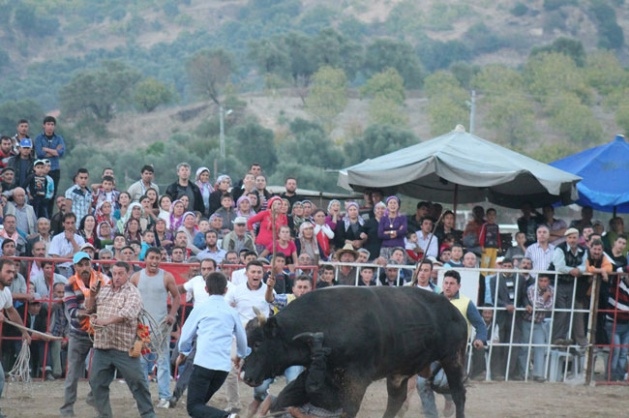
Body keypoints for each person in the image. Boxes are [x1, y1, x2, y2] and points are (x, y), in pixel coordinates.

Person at [86, 261, 156, 418]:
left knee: (138, 383)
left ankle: (148, 414)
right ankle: (104, 415)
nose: (116, 277)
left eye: (120, 274)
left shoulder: (133, 293)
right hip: (102, 346)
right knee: (97, 383)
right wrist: (91, 295)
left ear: (128, 273)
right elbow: (89, 309)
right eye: (114, 273)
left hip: (124, 348)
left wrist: (106, 321)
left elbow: (127, 313)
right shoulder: (102, 290)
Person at [416, 270, 486, 418]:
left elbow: (480, 324)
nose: (448, 287)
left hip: (454, 354)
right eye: (446, 283)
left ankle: (451, 399)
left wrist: (480, 338)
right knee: (422, 383)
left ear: (458, 286)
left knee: (444, 383)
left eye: (452, 284)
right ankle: (431, 415)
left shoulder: (466, 303)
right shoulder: (433, 301)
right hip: (432, 352)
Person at [178, 272, 246, 418]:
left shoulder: (200, 309)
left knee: (194, 408)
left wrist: (183, 352)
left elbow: (185, 337)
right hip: (222, 368)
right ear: (226, 290)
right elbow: (242, 340)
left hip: (203, 364)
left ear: (206, 289)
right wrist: (240, 355)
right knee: (201, 408)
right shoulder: (232, 312)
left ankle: (228, 417)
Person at [59, 251, 109, 417]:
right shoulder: (70, 284)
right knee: (73, 372)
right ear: (75, 267)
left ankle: (93, 397)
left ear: (91, 264)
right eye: (80, 265)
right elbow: (72, 312)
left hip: (99, 332)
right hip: (79, 332)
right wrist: (91, 311)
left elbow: (110, 303)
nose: (84, 267)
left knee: (103, 369)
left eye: (87, 264)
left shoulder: (103, 280)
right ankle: (66, 409)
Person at [130, 247, 181, 408]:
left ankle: (164, 396)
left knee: (163, 361)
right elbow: (129, 298)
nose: (154, 261)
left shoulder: (166, 277)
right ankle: (142, 397)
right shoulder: (136, 277)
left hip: (161, 327)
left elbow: (177, 297)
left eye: (157, 258)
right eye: (152, 257)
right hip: (141, 328)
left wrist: (172, 315)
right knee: (141, 363)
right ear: (145, 259)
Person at [225, 260, 274, 416]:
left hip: (261, 337)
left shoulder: (269, 290)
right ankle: (233, 403)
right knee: (231, 369)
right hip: (241, 333)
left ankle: (262, 397)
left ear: (263, 273)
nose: (256, 275)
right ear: (246, 273)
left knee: (262, 370)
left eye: (259, 272)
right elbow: (227, 307)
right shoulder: (236, 290)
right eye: (253, 272)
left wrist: (271, 287)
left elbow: (271, 302)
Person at [0, 259, 33, 417]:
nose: (11, 275)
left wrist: (23, 331)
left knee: (0, 378)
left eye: (13, 272)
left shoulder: (5, 293)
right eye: (8, 272)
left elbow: (11, 312)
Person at [550, 227, 588, 346]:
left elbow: (585, 265)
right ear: (566, 238)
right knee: (562, 311)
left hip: (572, 283)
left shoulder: (583, 250)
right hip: (559, 283)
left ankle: (565, 337)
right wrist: (574, 270)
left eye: (574, 237)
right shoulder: (559, 249)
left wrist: (579, 270)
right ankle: (557, 337)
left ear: (578, 238)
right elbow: (559, 267)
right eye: (570, 237)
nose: (572, 240)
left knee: (569, 310)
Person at [518, 272, 554, 382]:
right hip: (526, 321)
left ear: (549, 282)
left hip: (538, 322)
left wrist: (541, 301)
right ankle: (524, 373)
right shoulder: (531, 289)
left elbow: (549, 307)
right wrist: (544, 297)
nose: (543, 283)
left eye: (545, 281)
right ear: (537, 281)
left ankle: (538, 374)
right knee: (524, 348)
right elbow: (535, 304)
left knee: (540, 347)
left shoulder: (551, 290)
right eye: (541, 281)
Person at [34, 116, 65, 210]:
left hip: (54, 169)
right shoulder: (39, 138)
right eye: (48, 124)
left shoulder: (59, 138)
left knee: (52, 194)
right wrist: (54, 151)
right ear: (44, 125)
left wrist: (46, 149)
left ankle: (49, 218)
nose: (50, 126)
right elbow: (39, 153)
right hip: (41, 172)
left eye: (52, 124)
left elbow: (60, 153)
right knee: (40, 194)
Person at [48, 212, 86, 278]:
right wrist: (72, 256)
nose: (70, 226)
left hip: (76, 270)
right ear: (63, 224)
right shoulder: (56, 238)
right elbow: (55, 260)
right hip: (60, 269)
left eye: (72, 223)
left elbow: (81, 257)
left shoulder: (80, 239)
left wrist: (72, 240)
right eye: (68, 223)